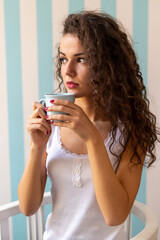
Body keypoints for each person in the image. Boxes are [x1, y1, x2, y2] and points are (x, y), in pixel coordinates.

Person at [18, 11, 160, 240]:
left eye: (81, 59)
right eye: (64, 58)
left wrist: (92, 139)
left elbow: (115, 216)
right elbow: (27, 207)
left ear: (108, 64)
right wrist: (36, 147)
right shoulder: (52, 119)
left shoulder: (131, 130)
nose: (67, 70)